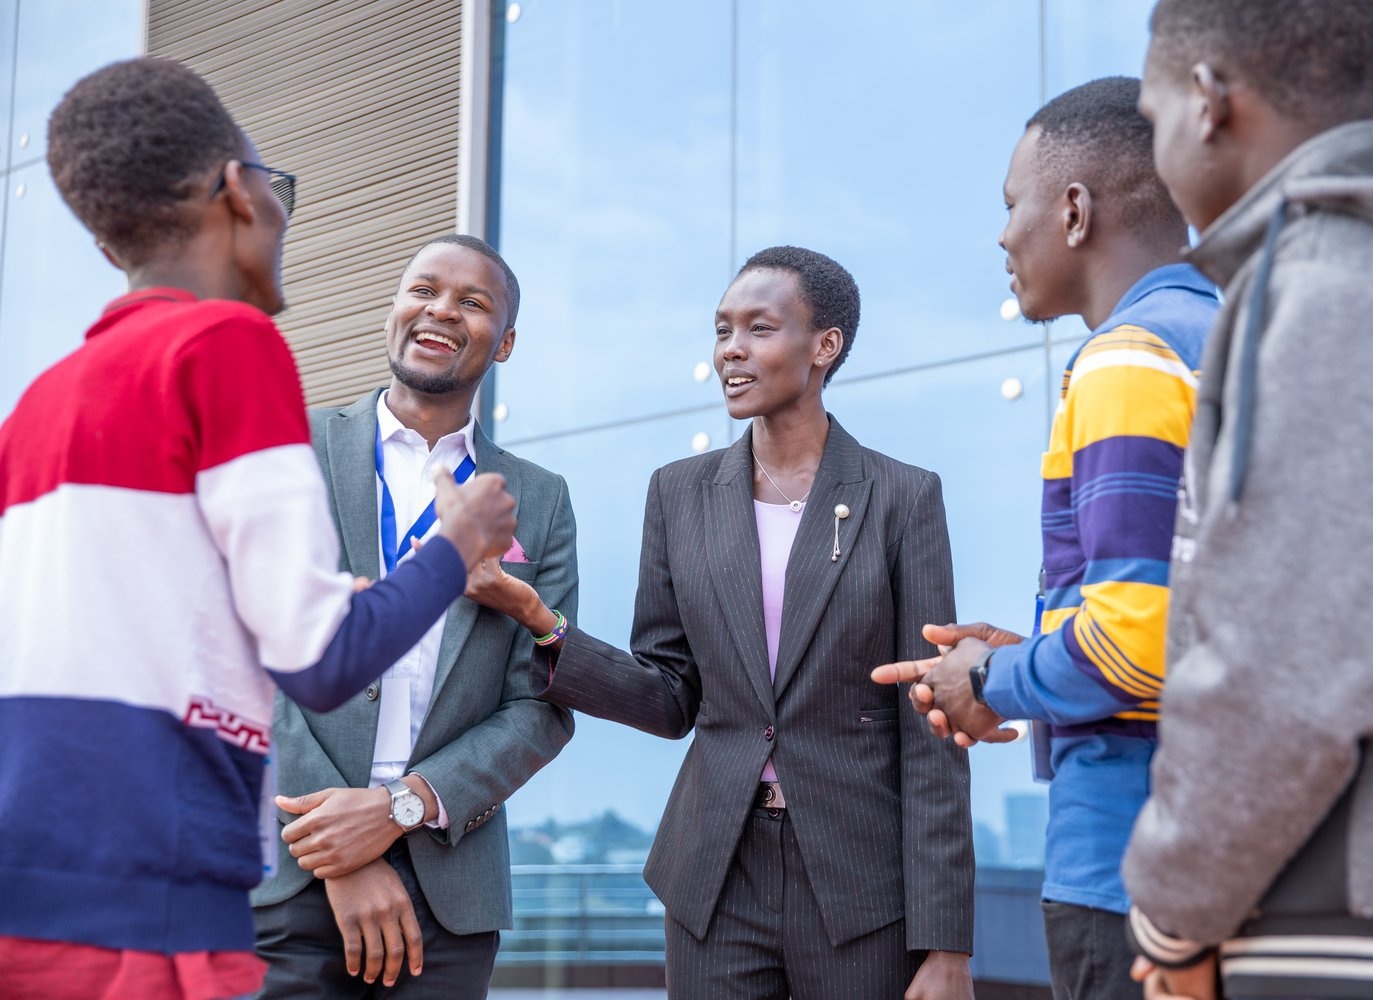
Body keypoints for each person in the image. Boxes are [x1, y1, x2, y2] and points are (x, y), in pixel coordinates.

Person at [0, 59, 517, 1000]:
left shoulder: (40, 402)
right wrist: (460, 543)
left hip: (29, 892)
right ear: (240, 195)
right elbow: (320, 659)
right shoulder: (228, 350)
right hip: (154, 895)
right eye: (278, 190)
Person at [1120, 2, 1373, 998]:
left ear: (1208, 102)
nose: (1159, 155)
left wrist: (1172, 915)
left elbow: (1282, 668)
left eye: (1154, 116)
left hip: (1363, 936)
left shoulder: (1341, 287)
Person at [486, 246, 976, 999]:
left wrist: (946, 945)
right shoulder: (678, 494)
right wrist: (545, 626)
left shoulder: (902, 497)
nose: (731, 351)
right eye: (722, 331)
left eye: (759, 328)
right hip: (715, 874)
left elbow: (931, 724)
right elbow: (671, 693)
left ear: (824, 347)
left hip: (858, 882)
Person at [873, 77, 1218, 1000]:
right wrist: (1026, 661)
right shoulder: (1221, 336)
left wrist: (983, 678)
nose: (1000, 235)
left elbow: (1135, 648)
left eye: (1010, 204)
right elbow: (1187, 625)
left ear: (1073, 211)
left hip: (1127, 869)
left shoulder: (1128, 360)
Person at [250, 235, 577, 998]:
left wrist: (401, 807)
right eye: (423, 290)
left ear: (507, 342)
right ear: (393, 309)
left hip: (447, 893)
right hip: (282, 874)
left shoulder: (542, 496)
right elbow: (233, 649)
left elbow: (543, 704)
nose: (441, 310)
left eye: (473, 302)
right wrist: (341, 849)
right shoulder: (291, 444)